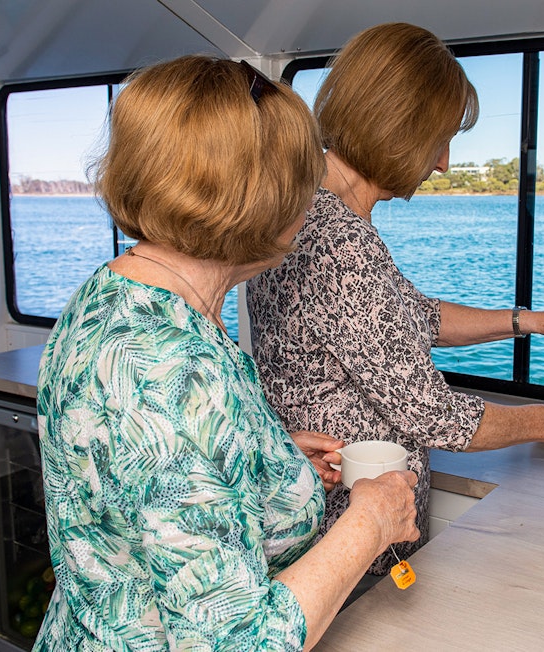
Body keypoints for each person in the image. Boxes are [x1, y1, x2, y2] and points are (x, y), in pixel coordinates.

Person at [33, 54, 419, 652]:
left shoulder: (127, 296)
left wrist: (269, 459)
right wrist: (369, 521)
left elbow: (153, 475)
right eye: (303, 181)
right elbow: (239, 642)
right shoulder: (164, 370)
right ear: (256, 199)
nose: (314, 198)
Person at [247, 23, 544, 586]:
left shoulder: (311, 208)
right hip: (342, 538)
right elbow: (433, 414)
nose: (442, 162)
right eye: (438, 139)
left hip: (326, 525)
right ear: (397, 128)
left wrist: (531, 322)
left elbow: (411, 318)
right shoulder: (339, 242)